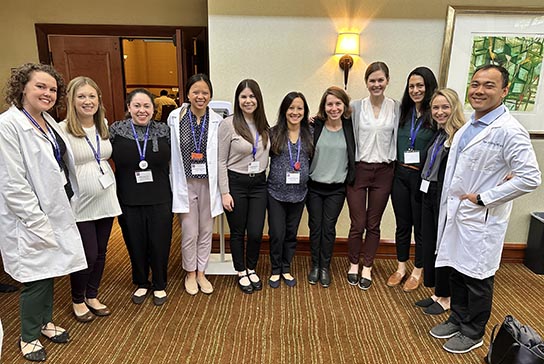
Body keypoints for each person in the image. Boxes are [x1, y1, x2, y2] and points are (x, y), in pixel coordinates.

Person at [429, 65, 541, 354]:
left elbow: (530, 177)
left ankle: (473, 330)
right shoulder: (469, 125)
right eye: (475, 84)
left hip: (481, 217)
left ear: (504, 91)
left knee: (477, 276)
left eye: (489, 85)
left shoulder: (509, 130)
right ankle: (457, 318)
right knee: (455, 268)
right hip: (458, 213)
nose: (479, 90)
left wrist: (485, 198)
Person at [0, 63, 87, 362]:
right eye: (40, 86)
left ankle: (45, 322)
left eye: (52, 89)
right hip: (30, 217)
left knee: (52, 271)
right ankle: (28, 336)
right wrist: (36, 221)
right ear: (22, 87)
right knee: (36, 279)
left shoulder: (46, 121)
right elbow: (13, 184)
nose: (47, 93)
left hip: (55, 208)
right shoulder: (8, 125)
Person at [59, 76, 122, 322]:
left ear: (99, 100)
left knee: (102, 250)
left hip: (106, 196)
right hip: (80, 201)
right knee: (88, 253)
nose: (88, 101)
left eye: (92, 96)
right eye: (81, 96)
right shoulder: (62, 130)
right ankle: (77, 298)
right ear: (72, 101)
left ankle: (92, 294)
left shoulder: (103, 125)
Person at [110, 89, 172, 306]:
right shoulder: (116, 130)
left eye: (146, 106)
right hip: (128, 198)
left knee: (159, 242)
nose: (142, 110)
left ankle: (160, 283)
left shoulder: (165, 130)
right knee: (135, 243)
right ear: (129, 107)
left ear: (154, 109)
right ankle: (141, 282)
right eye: (137, 106)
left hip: (160, 197)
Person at [346, 61, 399, 290]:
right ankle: (354, 263)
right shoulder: (355, 106)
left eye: (380, 80)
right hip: (359, 169)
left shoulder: (396, 107)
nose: (376, 84)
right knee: (358, 223)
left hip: (384, 172)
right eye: (372, 80)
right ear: (366, 82)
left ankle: (368, 265)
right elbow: (333, 117)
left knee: (373, 224)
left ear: (387, 81)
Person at [169, 74, 223, 295]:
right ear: (188, 94)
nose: (200, 96)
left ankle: (202, 272)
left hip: (208, 183)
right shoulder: (176, 117)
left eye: (205, 93)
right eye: (196, 92)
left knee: (206, 230)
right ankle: (190, 272)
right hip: (186, 182)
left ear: (210, 95)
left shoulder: (218, 120)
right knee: (190, 232)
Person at [387, 66, 437, 292]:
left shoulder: (435, 115)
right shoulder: (403, 112)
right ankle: (400, 268)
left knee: (421, 228)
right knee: (402, 224)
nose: (415, 90)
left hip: (421, 177)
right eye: (412, 86)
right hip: (400, 174)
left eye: (420, 86)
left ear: (428, 87)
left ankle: (418, 270)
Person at [415, 88, 464, 315]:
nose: (440, 111)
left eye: (445, 107)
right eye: (436, 107)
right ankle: (436, 292)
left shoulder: (461, 137)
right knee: (429, 242)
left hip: (445, 197)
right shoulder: (440, 134)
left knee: (443, 245)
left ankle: (446, 297)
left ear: (454, 108)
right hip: (429, 193)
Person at [218, 79, 270, 294]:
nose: (248, 101)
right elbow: (220, 161)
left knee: (256, 232)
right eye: (243, 97)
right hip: (236, 183)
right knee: (238, 232)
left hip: (259, 184)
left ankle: (251, 267)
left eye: (252, 96)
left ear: (258, 99)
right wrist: (224, 192)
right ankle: (241, 271)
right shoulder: (228, 124)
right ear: (238, 100)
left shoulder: (264, 125)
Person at [307, 86, 355, 288]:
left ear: (344, 106)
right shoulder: (315, 126)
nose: (334, 108)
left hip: (336, 188)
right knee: (315, 227)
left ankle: (325, 266)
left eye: (338, 103)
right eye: (330, 104)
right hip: (314, 187)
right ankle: (315, 266)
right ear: (324, 106)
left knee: (328, 228)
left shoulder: (351, 127)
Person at [267, 92, 313, 288]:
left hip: (300, 193)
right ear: (285, 110)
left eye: (299, 108)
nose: (295, 112)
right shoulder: (273, 132)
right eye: (291, 108)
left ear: (305, 111)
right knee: (277, 232)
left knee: (291, 233)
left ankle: (286, 267)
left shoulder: (310, 132)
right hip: (275, 192)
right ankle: (275, 269)